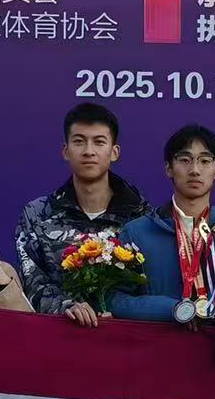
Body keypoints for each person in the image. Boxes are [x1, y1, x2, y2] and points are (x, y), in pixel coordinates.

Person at [14, 102, 150, 326]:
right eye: (79, 141)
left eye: (99, 142)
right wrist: (67, 307)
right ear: (65, 151)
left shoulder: (142, 216)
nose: (88, 151)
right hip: (59, 335)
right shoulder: (37, 214)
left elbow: (149, 286)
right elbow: (33, 281)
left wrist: (121, 311)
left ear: (114, 152)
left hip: (124, 337)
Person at [111, 124, 215, 327]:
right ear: (168, 168)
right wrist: (173, 309)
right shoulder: (137, 232)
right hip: (159, 344)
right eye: (185, 160)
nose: (194, 170)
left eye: (205, 161)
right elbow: (115, 301)